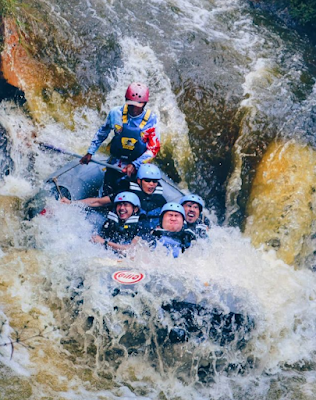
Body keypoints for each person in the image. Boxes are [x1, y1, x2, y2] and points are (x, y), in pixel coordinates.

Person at [80, 82, 160, 196]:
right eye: (130, 104)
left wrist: (134, 165)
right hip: (115, 162)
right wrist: (90, 152)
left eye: (137, 106)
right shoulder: (115, 113)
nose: (133, 109)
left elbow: (153, 149)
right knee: (107, 192)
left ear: (145, 103)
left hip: (138, 166)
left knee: (131, 197)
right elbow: (102, 133)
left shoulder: (152, 119)